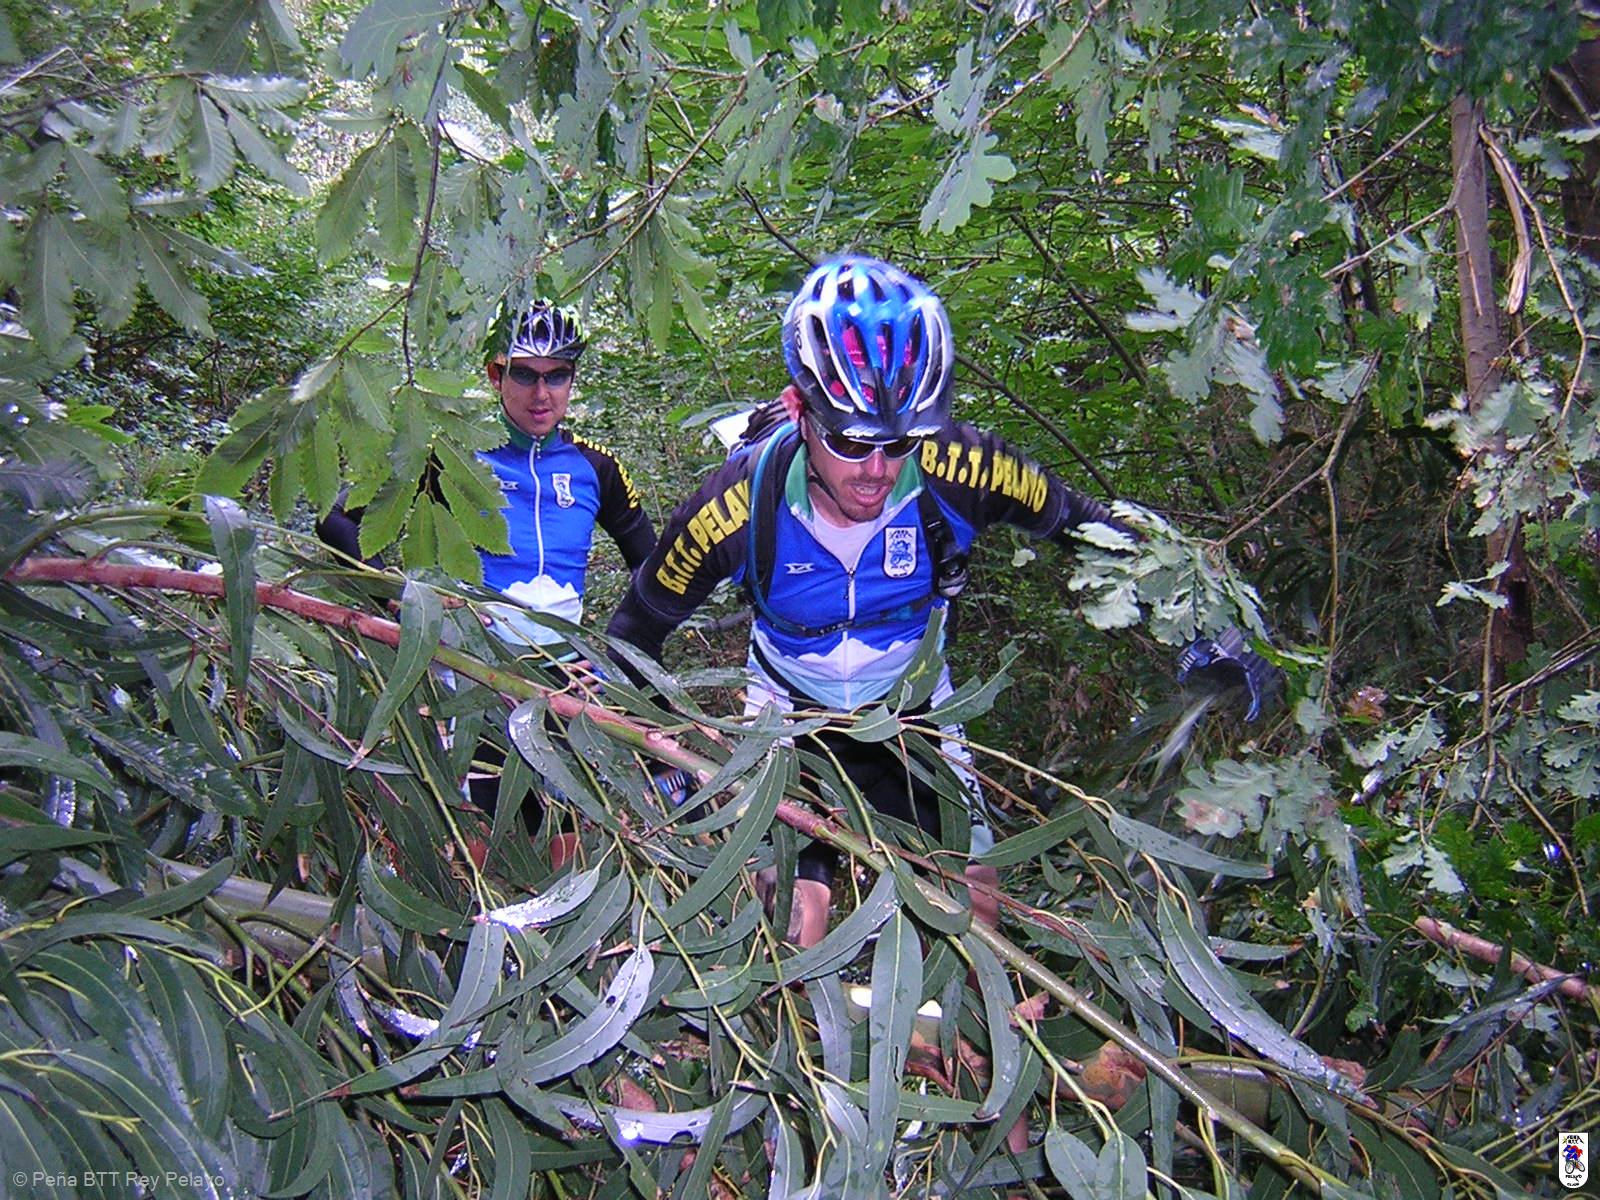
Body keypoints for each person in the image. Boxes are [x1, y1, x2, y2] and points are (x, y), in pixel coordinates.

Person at [604, 255, 1135, 947]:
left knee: (975, 918)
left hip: (916, 710)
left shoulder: (959, 467)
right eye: (852, 442)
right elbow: (635, 630)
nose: (878, 471)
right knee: (791, 927)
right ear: (799, 411)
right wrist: (658, 754)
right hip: (791, 717)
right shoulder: (737, 505)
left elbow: (1082, 523)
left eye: (901, 441)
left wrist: (1195, 612)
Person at [319, 298, 656, 836]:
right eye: (524, 374)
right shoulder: (450, 451)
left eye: (556, 375)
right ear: (496, 375)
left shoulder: (596, 467)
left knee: (564, 829)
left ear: (572, 379)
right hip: (472, 672)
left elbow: (653, 571)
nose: (541, 393)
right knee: (477, 831)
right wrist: (398, 597)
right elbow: (337, 519)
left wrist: (612, 657)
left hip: (563, 678)